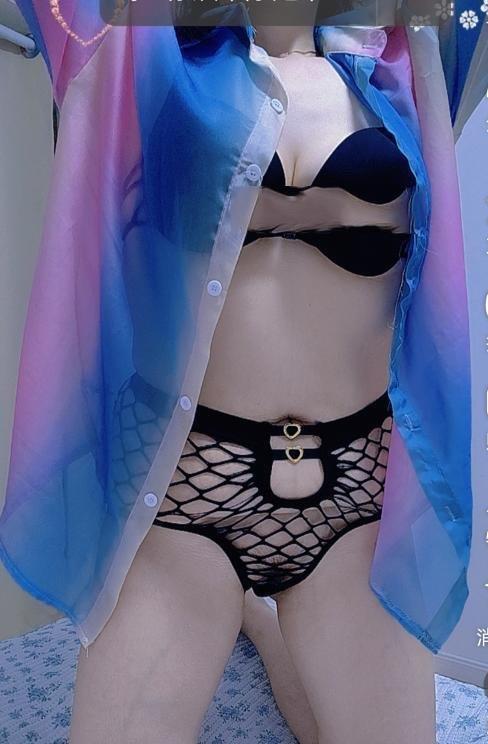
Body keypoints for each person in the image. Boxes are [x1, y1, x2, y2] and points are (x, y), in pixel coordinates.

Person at [1, 1, 486, 742]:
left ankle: (261, 623)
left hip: (354, 494)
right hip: (182, 494)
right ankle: (256, 618)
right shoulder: (129, 48)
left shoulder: (415, 58)